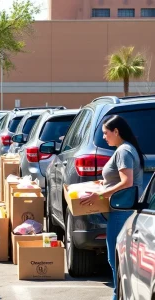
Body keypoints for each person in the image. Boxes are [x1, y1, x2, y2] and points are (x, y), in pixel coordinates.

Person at [80, 115, 144, 300]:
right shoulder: (125, 149)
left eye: (106, 133)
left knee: (115, 259)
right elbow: (120, 179)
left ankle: (118, 296)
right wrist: (105, 183)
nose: (104, 137)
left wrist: (99, 195)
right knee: (119, 259)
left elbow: (127, 182)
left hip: (121, 212)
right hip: (121, 210)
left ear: (116, 131)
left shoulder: (124, 151)